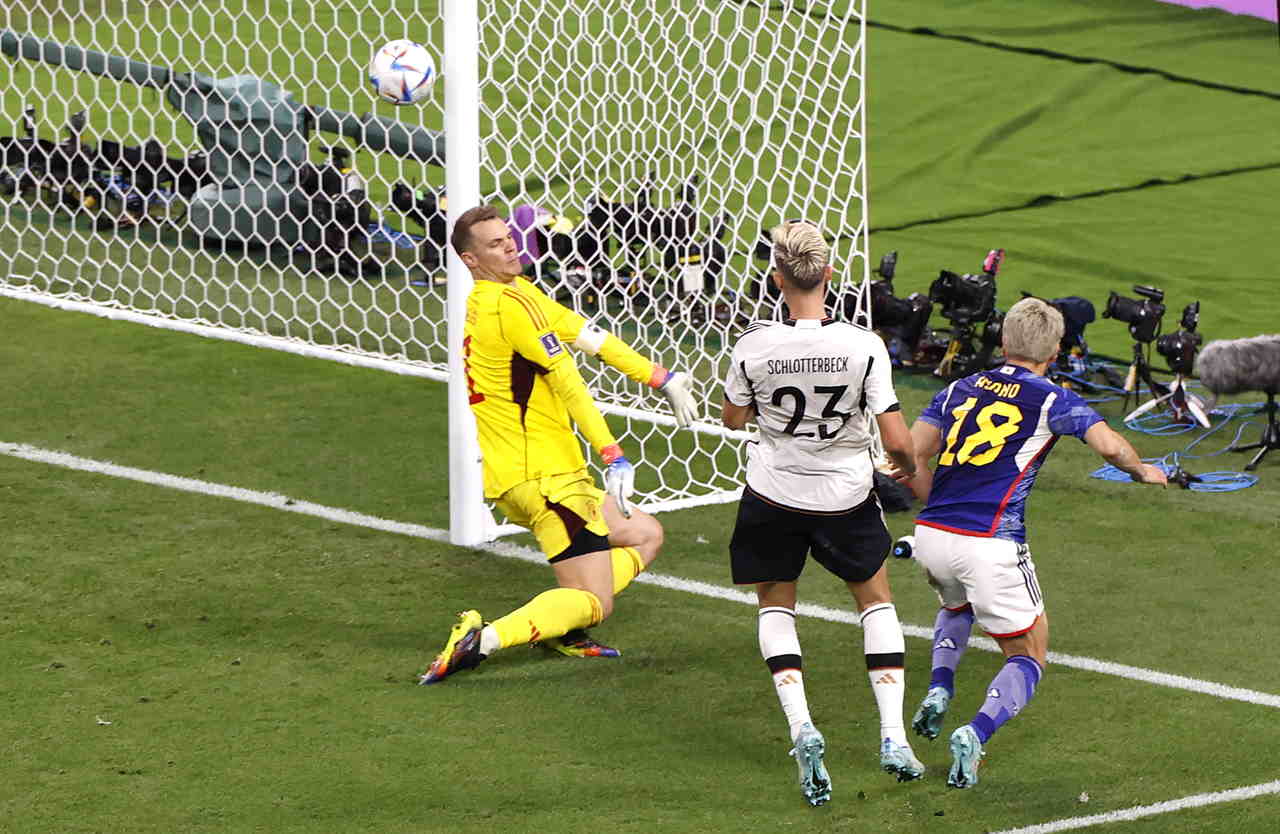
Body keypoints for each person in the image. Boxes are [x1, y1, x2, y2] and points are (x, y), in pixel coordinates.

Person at [419, 204, 697, 684]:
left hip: (540, 474)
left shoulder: (517, 294)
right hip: (545, 480)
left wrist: (658, 376)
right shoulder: (506, 308)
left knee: (645, 534)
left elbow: (588, 335)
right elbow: (568, 381)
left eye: (508, 237)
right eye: (494, 243)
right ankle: (482, 639)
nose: (509, 245)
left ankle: (562, 627)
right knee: (597, 601)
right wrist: (613, 453)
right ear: (470, 260)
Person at [897, 296, 1167, 788]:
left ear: (1003, 341)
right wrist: (1143, 470)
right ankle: (975, 734)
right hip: (991, 542)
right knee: (1028, 655)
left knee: (957, 605)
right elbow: (1110, 446)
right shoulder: (1052, 398)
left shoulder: (960, 386)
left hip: (931, 534)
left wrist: (931, 505)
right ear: (1056, 350)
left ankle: (939, 688)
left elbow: (911, 453)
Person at [721, 220, 925, 806]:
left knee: (775, 604)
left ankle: (802, 727)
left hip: (773, 493)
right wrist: (907, 469)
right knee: (876, 600)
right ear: (829, 275)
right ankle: (892, 736)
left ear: (776, 278)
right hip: (845, 496)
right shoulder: (863, 346)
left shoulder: (754, 346)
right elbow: (894, 436)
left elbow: (733, 419)